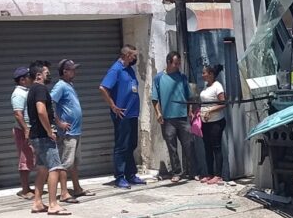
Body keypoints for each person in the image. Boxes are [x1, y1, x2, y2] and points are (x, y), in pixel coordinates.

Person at [27, 60, 71, 215]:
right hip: (43, 136)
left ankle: (37, 202)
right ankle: (53, 204)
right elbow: (40, 110)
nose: (49, 75)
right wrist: (49, 131)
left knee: (42, 169)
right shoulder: (40, 89)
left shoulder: (32, 89)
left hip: (36, 136)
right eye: (46, 72)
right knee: (55, 168)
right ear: (39, 75)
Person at [99, 45, 146, 189]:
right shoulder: (116, 69)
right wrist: (113, 106)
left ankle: (130, 174)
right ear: (126, 55)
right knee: (121, 145)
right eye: (133, 56)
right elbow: (103, 88)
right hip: (122, 114)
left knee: (131, 144)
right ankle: (119, 176)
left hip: (132, 113)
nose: (135, 58)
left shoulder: (129, 70)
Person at [51, 59, 95, 202]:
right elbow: (50, 103)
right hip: (68, 133)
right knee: (65, 163)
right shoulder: (60, 86)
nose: (74, 72)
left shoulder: (69, 85)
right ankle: (64, 193)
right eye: (72, 69)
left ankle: (77, 188)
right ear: (65, 72)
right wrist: (59, 123)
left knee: (75, 163)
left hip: (75, 131)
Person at [152, 51, 197, 182]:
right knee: (172, 147)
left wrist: (190, 110)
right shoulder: (158, 78)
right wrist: (158, 113)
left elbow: (189, 96)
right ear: (168, 62)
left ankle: (193, 171)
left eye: (179, 63)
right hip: (168, 118)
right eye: (176, 63)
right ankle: (177, 172)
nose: (178, 66)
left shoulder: (182, 77)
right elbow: (154, 98)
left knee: (189, 145)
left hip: (183, 116)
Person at [199, 65, 227, 185]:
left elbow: (223, 103)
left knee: (216, 148)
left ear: (211, 74)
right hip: (206, 122)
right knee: (207, 148)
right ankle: (210, 174)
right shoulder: (206, 86)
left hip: (216, 122)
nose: (202, 75)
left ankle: (218, 175)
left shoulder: (217, 86)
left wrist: (210, 111)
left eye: (204, 73)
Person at [11, 66, 35, 200]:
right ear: (22, 80)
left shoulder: (26, 91)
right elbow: (18, 114)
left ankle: (28, 188)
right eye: (28, 77)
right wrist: (26, 129)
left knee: (31, 158)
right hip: (23, 131)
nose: (31, 79)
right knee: (25, 160)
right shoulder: (18, 93)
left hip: (29, 129)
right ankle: (25, 190)